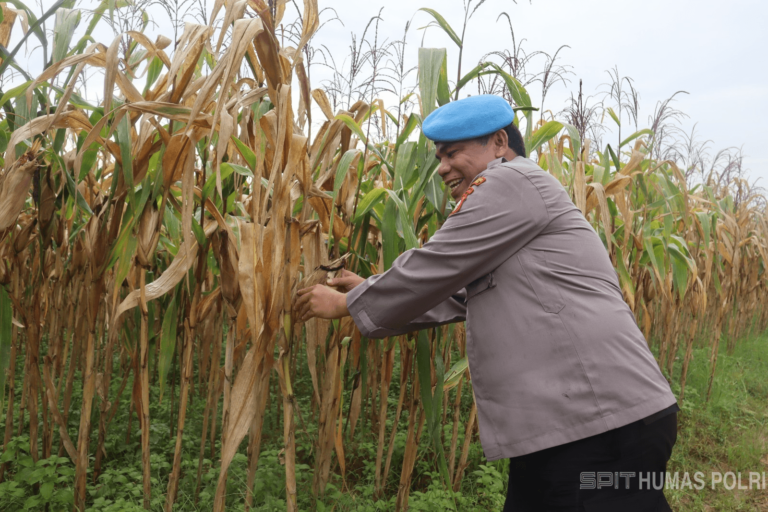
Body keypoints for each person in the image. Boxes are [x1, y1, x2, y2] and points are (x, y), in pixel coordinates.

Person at [294, 94, 679, 511]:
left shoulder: (510, 181)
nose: (442, 168)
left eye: (452, 153)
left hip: (601, 423)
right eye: (439, 157)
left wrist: (347, 305)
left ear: (499, 143)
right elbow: (457, 294)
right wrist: (365, 290)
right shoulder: (515, 208)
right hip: (573, 425)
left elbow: (439, 262)